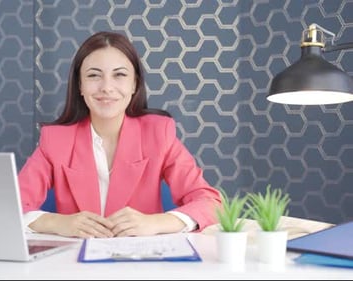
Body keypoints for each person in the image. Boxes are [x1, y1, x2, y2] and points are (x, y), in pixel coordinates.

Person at [18, 31, 221, 239]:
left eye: (120, 75)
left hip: (141, 262)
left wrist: (154, 222)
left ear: (134, 84)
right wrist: (58, 222)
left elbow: (211, 203)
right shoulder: (55, 140)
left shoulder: (159, 133)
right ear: (80, 85)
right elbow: (11, 206)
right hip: (74, 264)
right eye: (94, 75)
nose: (106, 87)